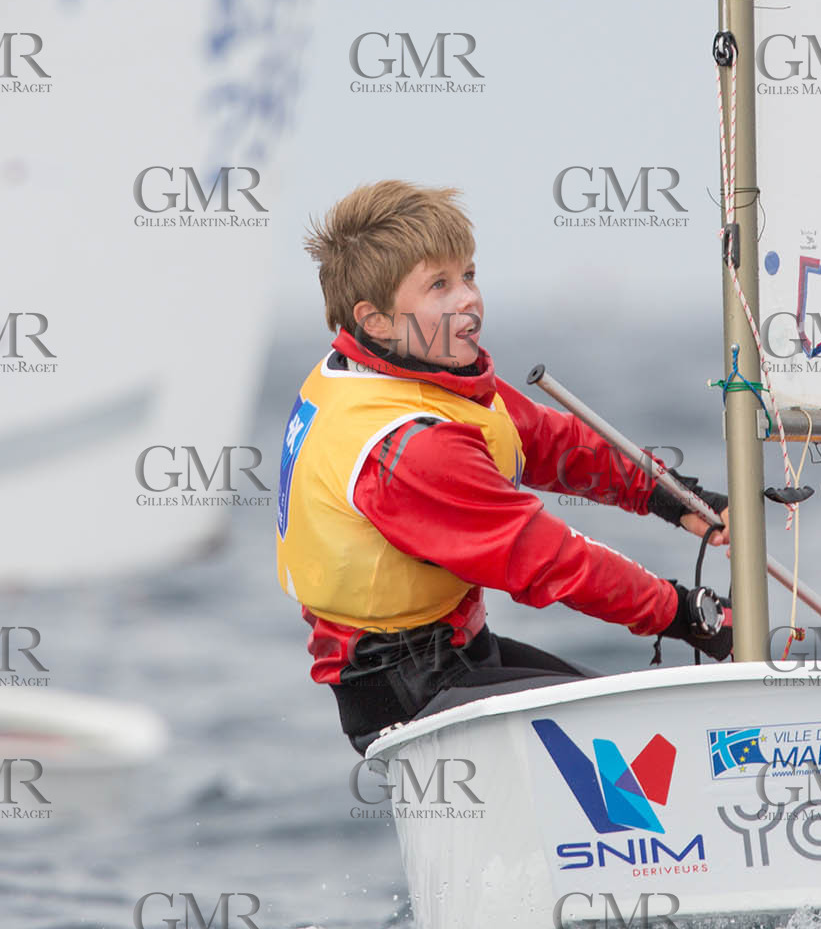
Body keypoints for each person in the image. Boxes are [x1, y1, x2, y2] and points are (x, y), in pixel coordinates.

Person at [276, 180, 734, 753]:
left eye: (468, 275)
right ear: (376, 321)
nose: (468, 299)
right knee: (648, 742)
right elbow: (549, 560)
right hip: (407, 691)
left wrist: (679, 499)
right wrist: (686, 613)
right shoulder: (409, 450)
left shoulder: (404, 375)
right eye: (439, 285)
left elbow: (551, 441)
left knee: (641, 724)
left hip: (462, 654)